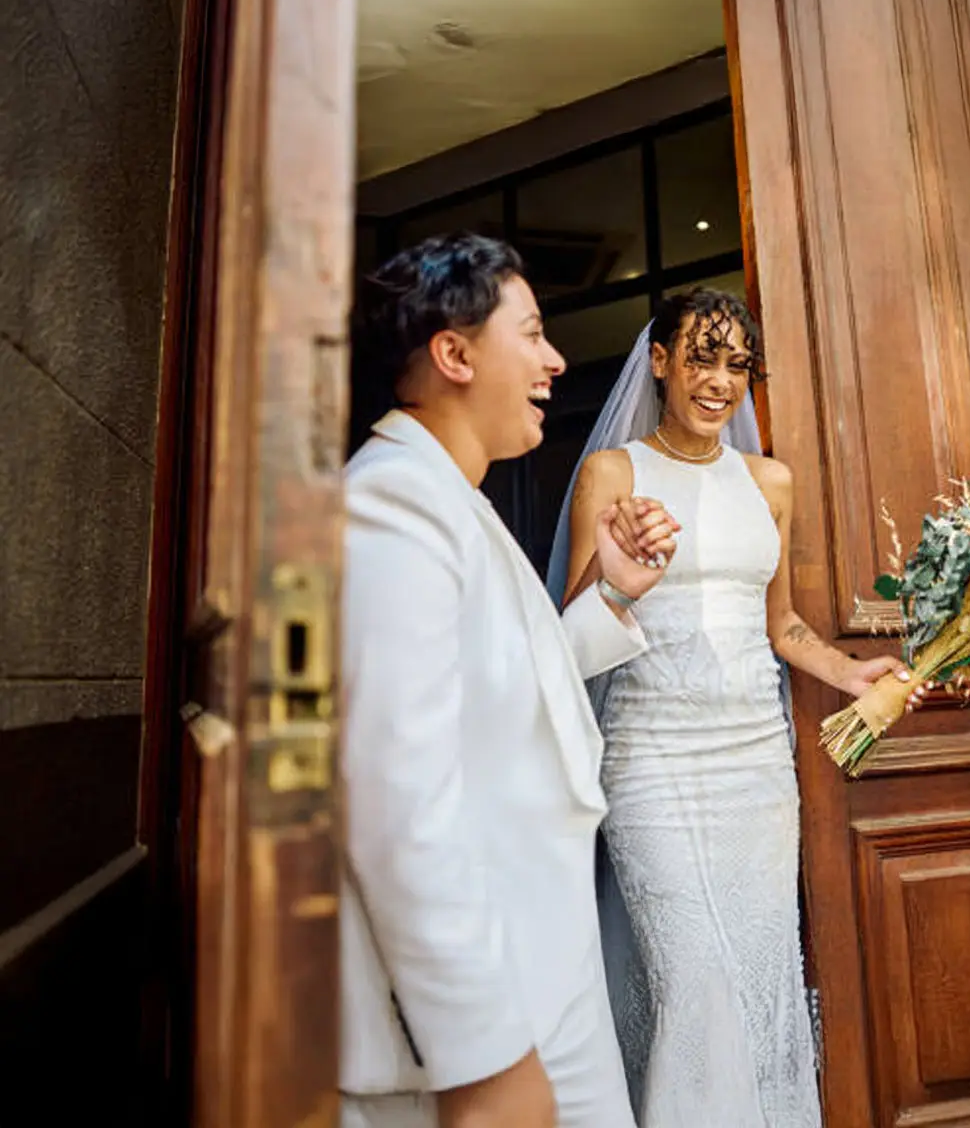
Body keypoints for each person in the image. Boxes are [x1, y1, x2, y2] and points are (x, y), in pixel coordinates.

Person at [548, 288, 924, 1126]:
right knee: (694, 977)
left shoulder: (771, 481)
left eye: (736, 365)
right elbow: (568, 624)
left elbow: (782, 623)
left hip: (755, 766)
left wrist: (851, 672)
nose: (719, 382)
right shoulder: (615, 472)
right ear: (659, 361)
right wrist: (613, 568)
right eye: (701, 358)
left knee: (760, 976)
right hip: (651, 759)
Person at [339, 232, 680, 1128]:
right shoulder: (392, 502)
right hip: (487, 995)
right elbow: (393, 789)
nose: (555, 360)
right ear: (454, 353)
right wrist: (482, 1052)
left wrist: (608, 593)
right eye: (531, 334)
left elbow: (502, 697)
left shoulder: (451, 496)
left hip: (544, 955)